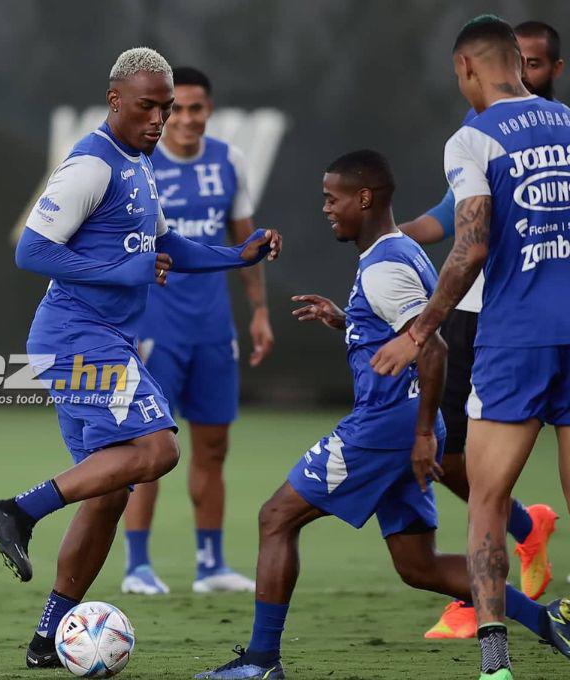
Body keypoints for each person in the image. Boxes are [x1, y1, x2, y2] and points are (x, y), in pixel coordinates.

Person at [196, 150, 569, 680]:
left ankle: (260, 661)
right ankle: (547, 621)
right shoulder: (400, 251)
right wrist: (347, 321)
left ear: (364, 197)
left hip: (387, 426)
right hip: (408, 424)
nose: (326, 208)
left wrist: (419, 435)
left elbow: (432, 345)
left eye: (332, 198)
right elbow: (404, 330)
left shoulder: (385, 265)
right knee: (418, 566)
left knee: (275, 518)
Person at [0, 47, 281, 669]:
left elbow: (163, 244)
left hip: (100, 339)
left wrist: (235, 256)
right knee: (159, 449)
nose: (159, 119)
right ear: (115, 100)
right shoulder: (91, 164)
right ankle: (17, 509)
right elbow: (31, 252)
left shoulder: (137, 163)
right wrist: (122, 268)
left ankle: (46, 640)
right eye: (148, 106)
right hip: (74, 338)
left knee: (109, 492)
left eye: (166, 108)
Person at [372, 15, 570, 679]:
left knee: (486, 501)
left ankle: (494, 664)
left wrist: (418, 331)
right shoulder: (568, 124)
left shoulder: (473, 138)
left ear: (465, 70)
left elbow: (471, 245)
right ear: (520, 60)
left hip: (516, 339)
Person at [121, 66, 270, 596]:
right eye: (174, 108)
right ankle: (138, 565)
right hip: (153, 329)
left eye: (195, 108)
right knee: (147, 449)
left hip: (213, 329)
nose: (184, 118)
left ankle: (210, 564)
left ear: (209, 110)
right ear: (160, 112)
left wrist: (258, 311)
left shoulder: (229, 162)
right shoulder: (138, 163)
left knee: (212, 449)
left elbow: (245, 243)